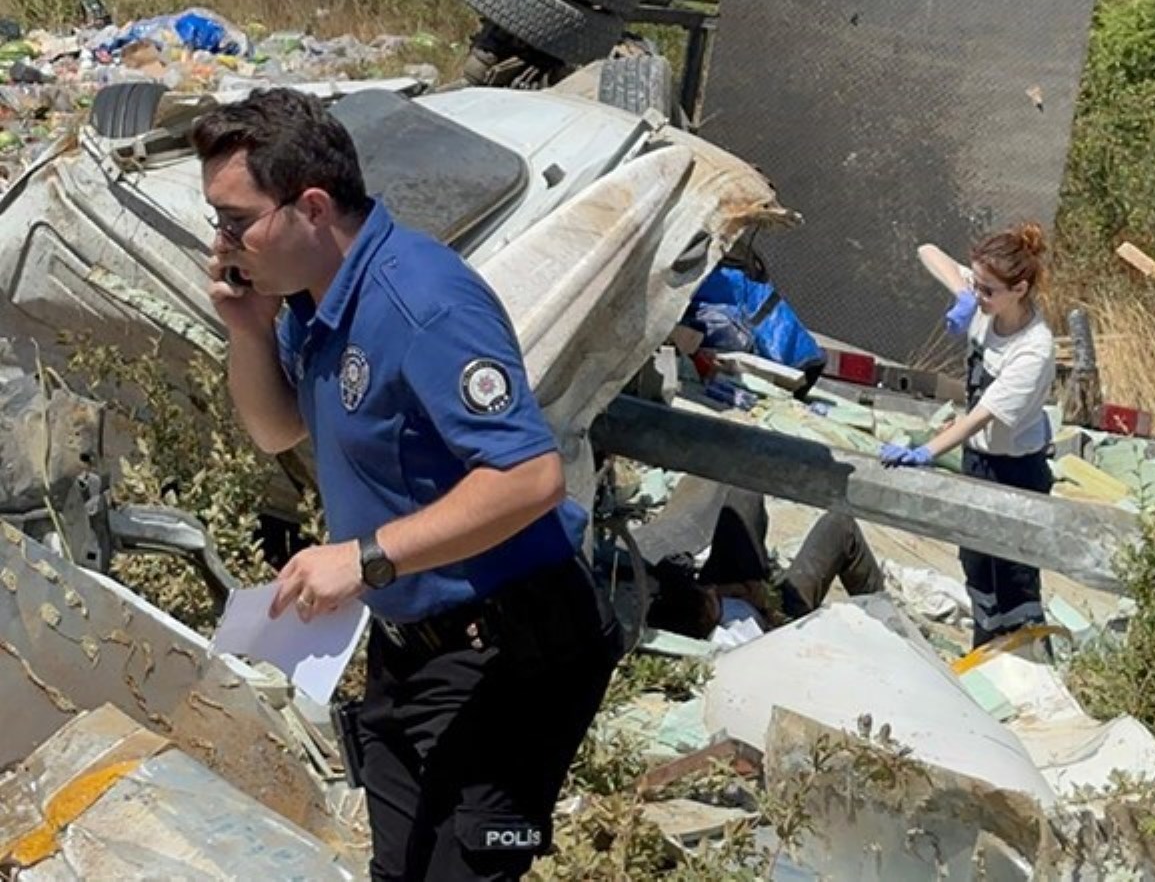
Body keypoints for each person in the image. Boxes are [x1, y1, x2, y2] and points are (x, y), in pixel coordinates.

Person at [193, 88, 620, 880]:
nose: (222, 242)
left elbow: (528, 476)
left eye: (234, 220)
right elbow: (276, 429)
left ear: (310, 207)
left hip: (509, 646)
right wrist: (246, 329)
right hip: (410, 646)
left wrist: (365, 559)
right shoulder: (310, 301)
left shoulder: (420, 301)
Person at [879, 223, 1057, 647]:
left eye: (988, 290)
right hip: (978, 461)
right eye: (976, 285)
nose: (980, 295)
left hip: (1016, 472)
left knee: (1013, 580)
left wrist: (926, 451)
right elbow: (927, 246)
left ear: (1020, 289)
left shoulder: (1034, 349)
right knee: (976, 566)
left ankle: (1024, 665)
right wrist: (963, 292)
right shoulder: (983, 303)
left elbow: (981, 416)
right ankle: (984, 647)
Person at [642, 484, 884, 639]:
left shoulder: (696, 602)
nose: (711, 592)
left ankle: (743, 583)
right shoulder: (733, 642)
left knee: (743, 492)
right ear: (706, 619)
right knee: (840, 526)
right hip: (775, 616)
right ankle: (889, 626)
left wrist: (724, 592)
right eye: (709, 598)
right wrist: (768, 606)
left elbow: (698, 594)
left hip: (735, 595)